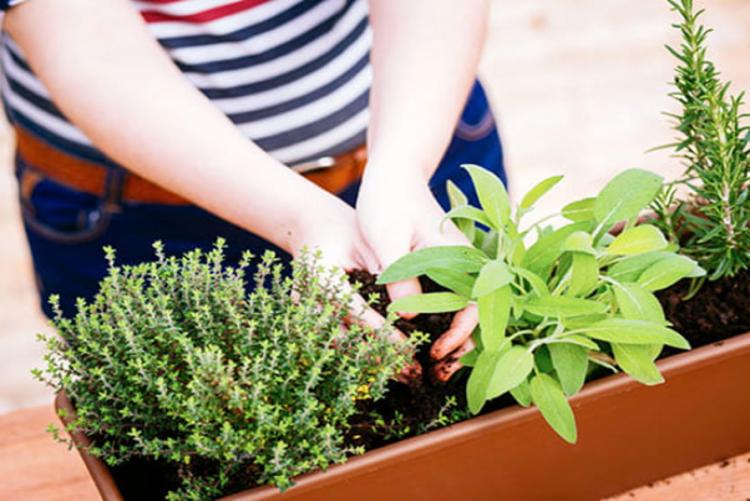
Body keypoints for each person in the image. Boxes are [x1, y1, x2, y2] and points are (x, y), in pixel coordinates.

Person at [1, 0, 506, 381]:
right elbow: (87, 45)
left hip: (417, 127)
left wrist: (402, 165)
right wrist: (300, 215)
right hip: (143, 213)